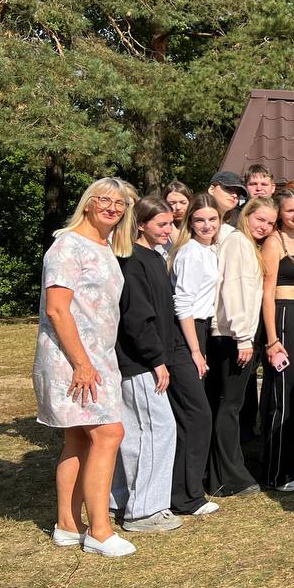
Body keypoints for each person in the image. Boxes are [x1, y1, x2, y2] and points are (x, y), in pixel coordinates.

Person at [34, 177, 138, 557]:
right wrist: (80, 363)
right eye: (105, 200)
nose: (112, 207)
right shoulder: (68, 245)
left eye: (120, 203)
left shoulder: (105, 246)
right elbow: (57, 309)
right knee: (109, 433)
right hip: (72, 357)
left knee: (79, 438)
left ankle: (67, 525)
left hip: (100, 356)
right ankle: (99, 531)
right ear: (88, 203)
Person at [111, 196, 184, 534]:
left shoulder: (154, 257)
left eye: (171, 223)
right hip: (139, 362)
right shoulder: (131, 261)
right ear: (141, 224)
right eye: (161, 224)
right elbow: (137, 318)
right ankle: (145, 511)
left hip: (149, 359)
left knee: (138, 431)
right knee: (157, 430)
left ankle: (122, 500)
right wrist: (156, 359)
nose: (169, 229)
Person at [208, 196, 277, 497]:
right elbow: (232, 290)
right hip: (232, 337)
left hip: (237, 336)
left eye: (270, 223)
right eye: (260, 219)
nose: (265, 226)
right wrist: (242, 337)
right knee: (229, 406)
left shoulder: (248, 245)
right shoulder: (238, 243)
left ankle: (221, 473)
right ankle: (230, 476)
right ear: (246, 215)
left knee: (227, 405)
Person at [165, 194, 221, 517]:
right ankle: (186, 497)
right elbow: (182, 303)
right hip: (185, 335)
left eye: (212, 219)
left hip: (200, 331)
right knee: (196, 415)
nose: (207, 225)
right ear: (190, 222)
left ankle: (185, 491)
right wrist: (195, 350)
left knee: (192, 417)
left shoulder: (209, 250)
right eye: (200, 220)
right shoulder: (189, 253)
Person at [260, 187, 294, 492]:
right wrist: (272, 339)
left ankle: (292, 461)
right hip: (283, 315)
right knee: (283, 396)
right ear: (280, 214)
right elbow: (267, 291)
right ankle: (277, 472)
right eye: (290, 210)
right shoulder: (274, 242)